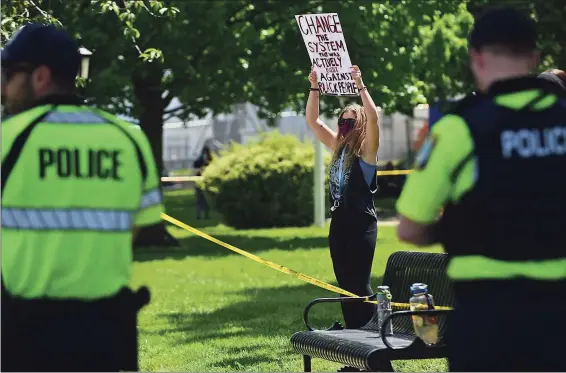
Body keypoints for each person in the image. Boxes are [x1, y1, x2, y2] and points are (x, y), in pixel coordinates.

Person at [396, 7, 566, 372]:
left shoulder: (460, 128)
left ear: (476, 57)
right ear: (535, 58)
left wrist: (459, 226)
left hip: (488, 318)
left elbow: (410, 227)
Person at [1, 23, 163, 371]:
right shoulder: (129, 139)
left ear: (39, 76)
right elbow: (137, 228)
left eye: (8, 73)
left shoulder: (8, 139)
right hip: (106, 335)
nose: (3, 86)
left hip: (24, 334)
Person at [306, 65, 380, 332]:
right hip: (339, 223)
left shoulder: (367, 153)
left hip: (361, 223)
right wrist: (314, 87)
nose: (344, 126)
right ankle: (352, 342)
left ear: (358, 125)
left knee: (358, 285)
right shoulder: (337, 147)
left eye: (350, 122)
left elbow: (373, 119)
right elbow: (313, 122)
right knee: (343, 285)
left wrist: (359, 83)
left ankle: (370, 338)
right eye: (341, 121)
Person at [193, 145, 212, 219]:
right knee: (201, 199)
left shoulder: (208, 160)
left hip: (203, 181)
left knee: (203, 200)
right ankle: (200, 215)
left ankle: (202, 215)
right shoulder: (201, 160)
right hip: (202, 181)